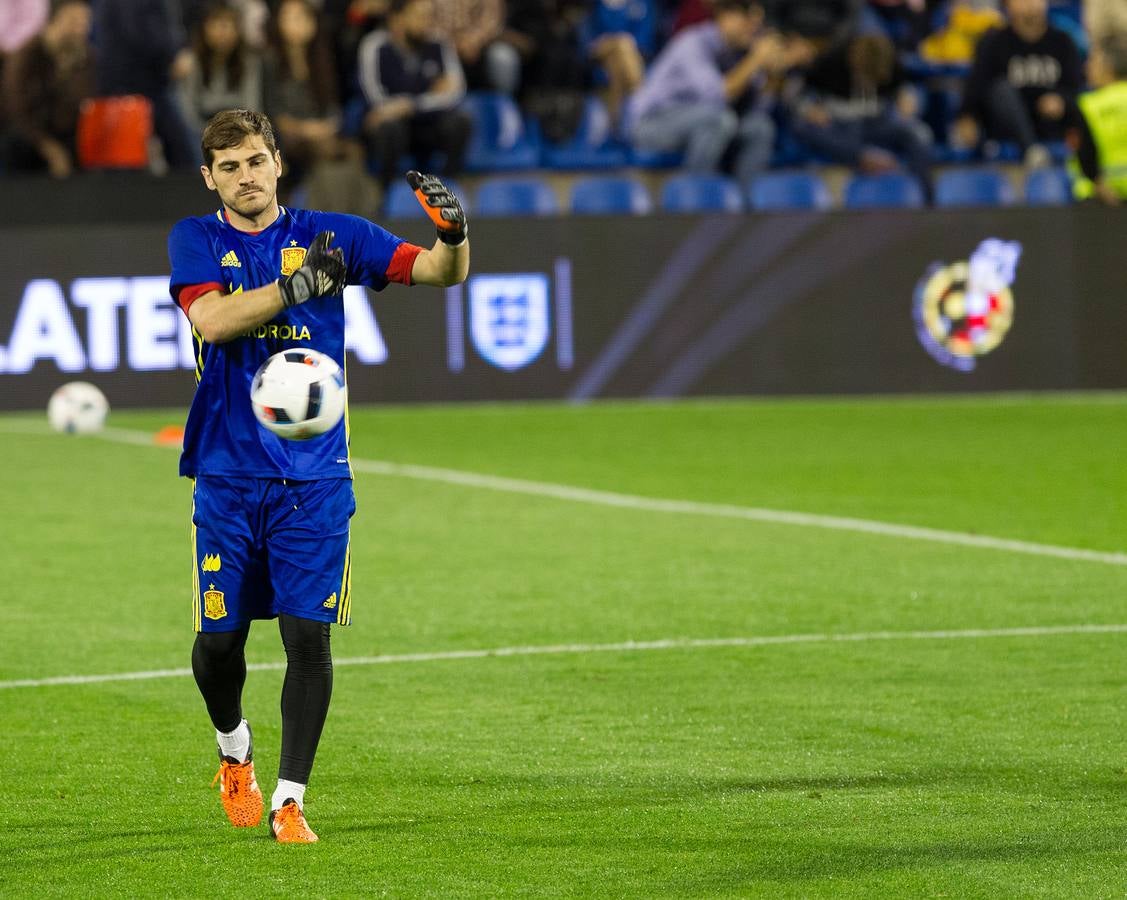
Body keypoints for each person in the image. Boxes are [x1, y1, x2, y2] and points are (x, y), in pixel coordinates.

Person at [167, 107, 469, 843]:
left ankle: (289, 798)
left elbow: (435, 273)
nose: (246, 176)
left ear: (277, 163)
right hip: (228, 475)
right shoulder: (196, 238)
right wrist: (299, 291)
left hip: (316, 477)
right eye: (229, 166)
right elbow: (212, 321)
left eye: (256, 161)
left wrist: (455, 237)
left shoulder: (335, 237)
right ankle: (232, 748)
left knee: (309, 639)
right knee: (220, 642)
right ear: (210, 178)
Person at [625, 0, 797, 186]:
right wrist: (756, 60)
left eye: (756, 23)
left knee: (760, 127)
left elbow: (758, 109)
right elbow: (719, 95)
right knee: (719, 119)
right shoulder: (692, 43)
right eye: (746, 19)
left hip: (704, 124)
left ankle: (745, 206)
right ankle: (694, 200)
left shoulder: (740, 52)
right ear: (724, 17)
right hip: (651, 123)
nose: (752, 28)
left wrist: (773, 77)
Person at [791, 32, 935, 202]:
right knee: (803, 127)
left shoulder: (891, 60)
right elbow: (797, 94)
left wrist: (907, 97)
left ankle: (925, 199)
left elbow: (904, 89)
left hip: (877, 123)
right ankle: (862, 156)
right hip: (838, 125)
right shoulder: (831, 59)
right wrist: (809, 109)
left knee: (920, 133)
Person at [355, 0, 472, 188]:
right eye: (419, 16)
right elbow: (374, 97)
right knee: (388, 128)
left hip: (429, 123)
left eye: (429, 16)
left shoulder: (439, 43)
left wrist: (411, 105)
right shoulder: (374, 45)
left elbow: (455, 92)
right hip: (393, 125)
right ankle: (386, 193)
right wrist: (429, 94)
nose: (426, 22)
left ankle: (448, 189)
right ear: (396, 20)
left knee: (461, 122)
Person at [953, 0, 1082, 168]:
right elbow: (976, 88)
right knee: (1001, 89)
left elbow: (1077, 90)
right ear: (1008, 5)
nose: (1030, 4)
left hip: (1052, 127)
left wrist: (1061, 100)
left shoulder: (1063, 41)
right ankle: (1031, 150)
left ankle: (1034, 151)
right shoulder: (993, 42)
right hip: (1005, 131)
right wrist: (967, 116)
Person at [2, 0, 94, 177]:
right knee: (15, 144)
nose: (80, 29)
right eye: (74, 21)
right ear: (55, 20)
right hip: (28, 137)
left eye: (85, 22)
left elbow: (80, 104)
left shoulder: (85, 58)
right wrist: (48, 148)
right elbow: (17, 111)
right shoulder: (26, 56)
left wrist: (68, 74)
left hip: (64, 136)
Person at [179, 2, 264, 137]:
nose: (223, 32)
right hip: (203, 130)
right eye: (217, 25)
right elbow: (188, 113)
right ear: (205, 28)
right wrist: (211, 134)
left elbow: (252, 107)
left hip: (240, 129)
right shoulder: (193, 62)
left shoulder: (248, 62)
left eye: (229, 26)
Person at [1071, 35, 1127, 205]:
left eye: (1093, 62)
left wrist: (1108, 195)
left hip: (1102, 201)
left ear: (1107, 68)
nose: (1086, 67)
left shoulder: (1089, 105)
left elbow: (1086, 158)